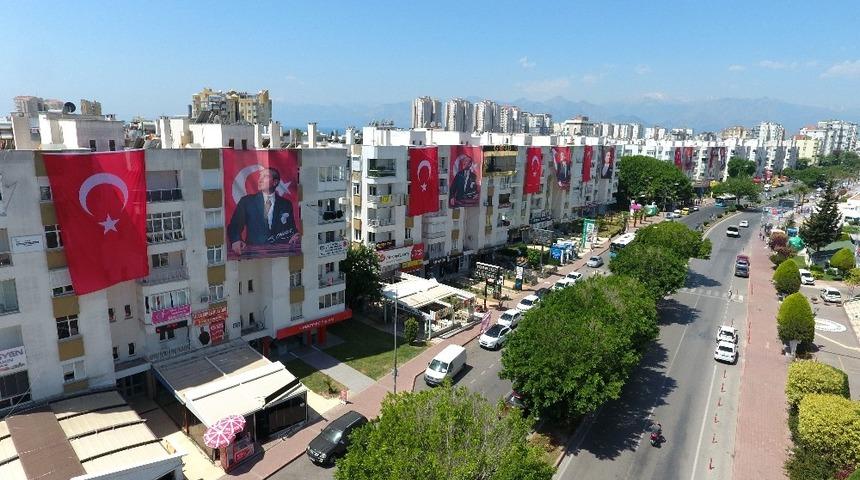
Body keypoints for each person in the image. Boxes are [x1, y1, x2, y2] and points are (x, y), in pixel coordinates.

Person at [227, 167, 299, 256]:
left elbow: (291, 228)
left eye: (265, 176)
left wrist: (295, 235)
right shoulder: (247, 202)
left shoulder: (286, 204)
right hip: (253, 254)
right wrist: (236, 240)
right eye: (260, 176)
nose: (260, 180)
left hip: (279, 254)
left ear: (275, 182)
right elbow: (235, 225)